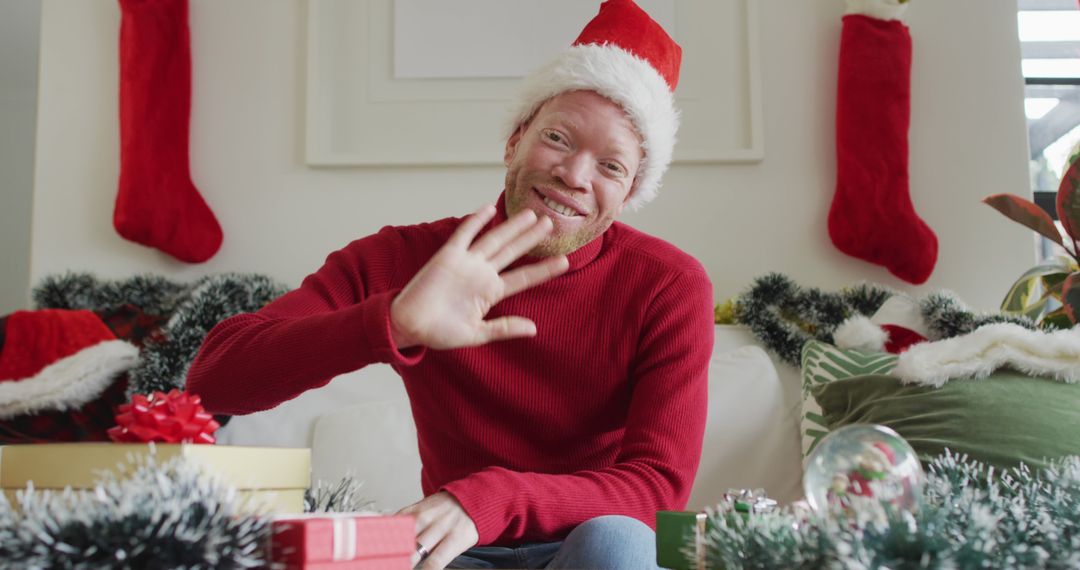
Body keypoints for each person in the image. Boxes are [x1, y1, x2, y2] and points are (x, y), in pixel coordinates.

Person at [186, 1, 714, 568]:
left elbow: (657, 486)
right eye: (558, 138)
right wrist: (390, 323)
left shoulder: (669, 285)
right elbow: (215, 379)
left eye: (611, 166)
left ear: (631, 192)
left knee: (618, 542)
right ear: (514, 142)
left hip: (585, 547)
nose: (575, 175)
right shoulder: (409, 259)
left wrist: (488, 498)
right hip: (457, 554)